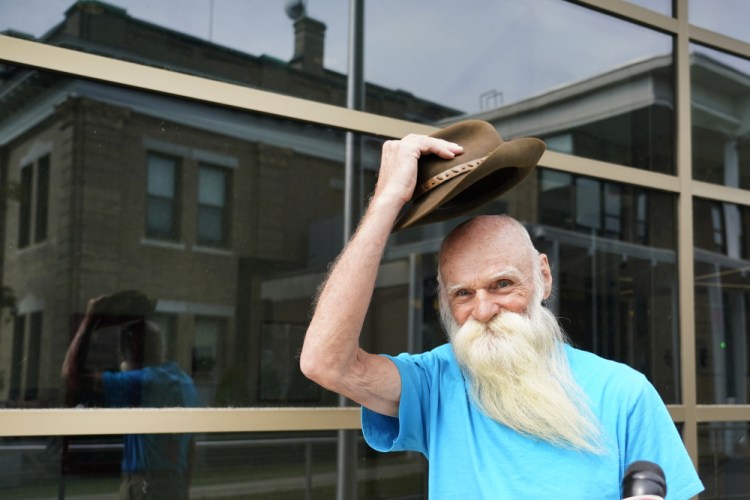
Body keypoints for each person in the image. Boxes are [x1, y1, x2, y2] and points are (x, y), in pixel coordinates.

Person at [300, 126, 704, 498]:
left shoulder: (624, 393)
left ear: (543, 277)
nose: (483, 309)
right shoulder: (437, 385)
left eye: (503, 284)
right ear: (443, 301)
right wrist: (386, 201)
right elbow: (325, 362)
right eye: (462, 293)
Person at [62, 290, 198, 500]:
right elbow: (191, 447)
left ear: (131, 349)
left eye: (121, 348)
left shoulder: (140, 382)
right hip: (176, 484)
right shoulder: (185, 383)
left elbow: (71, 375)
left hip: (144, 486)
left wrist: (89, 319)